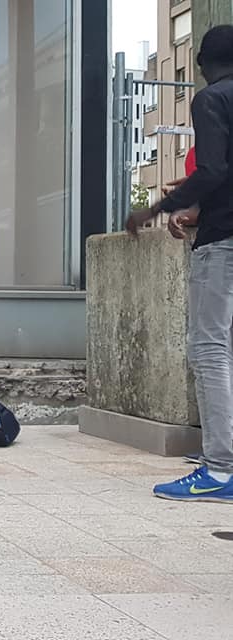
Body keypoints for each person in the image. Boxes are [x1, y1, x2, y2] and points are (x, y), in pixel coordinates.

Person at [126, 25, 233, 503]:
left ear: (205, 63)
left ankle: (221, 469)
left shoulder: (212, 100)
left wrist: (156, 209)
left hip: (224, 243)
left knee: (210, 350)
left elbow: (213, 170)